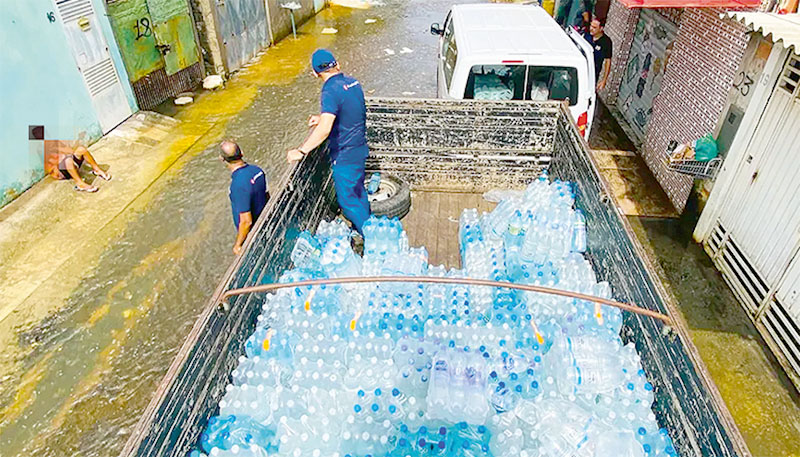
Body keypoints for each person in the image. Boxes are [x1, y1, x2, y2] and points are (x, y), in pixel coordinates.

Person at [286, 49, 371, 235]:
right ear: (337, 64)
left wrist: (301, 151)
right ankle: (364, 225)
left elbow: (325, 130)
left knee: (347, 201)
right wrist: (323, 117)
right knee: (358, 191)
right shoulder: (353, 83)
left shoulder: (329, 90)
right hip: (360, 148)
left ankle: (372, 237)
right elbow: (352, 110)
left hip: (345, 154)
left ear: (315, 73)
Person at [221, 140, 268, 255]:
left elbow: (246, 221)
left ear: (222, 159)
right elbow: (266, 195)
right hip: (265, 221)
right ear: (242, 153)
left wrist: (238, 244)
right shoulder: (257, 171)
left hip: (255, 235)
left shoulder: (238, 186)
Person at [45, 139, 111, 192]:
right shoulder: (44, 152)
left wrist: (57, 148)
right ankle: (80, 184)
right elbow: (52, 171)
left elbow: (70, 151)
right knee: (68, 160)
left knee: (81, 149)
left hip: (70, 162)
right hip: (62, 171)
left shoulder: (55, 142)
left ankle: (97, 170)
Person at [588, 19, 613, 91]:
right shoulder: (586, 35)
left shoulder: (606, 42)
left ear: (601, 28)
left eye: (594, 27)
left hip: (592, 73)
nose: (591, 29)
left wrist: (604, 80)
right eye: (591, 26)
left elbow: (608, 60)